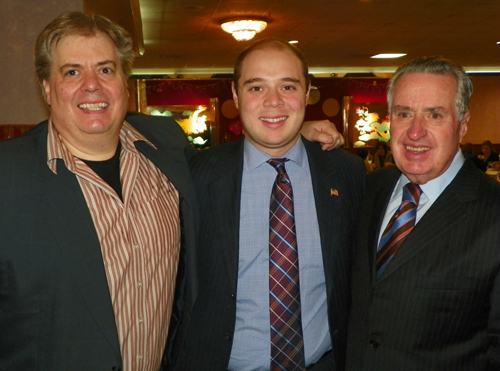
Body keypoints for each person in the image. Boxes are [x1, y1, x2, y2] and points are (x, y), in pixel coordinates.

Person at [0, 12, 343, 371]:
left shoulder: (167, 147)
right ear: (46, 87)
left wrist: (293, 136)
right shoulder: (9, 177)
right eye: (72, 72)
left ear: (124, 81)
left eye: (105, 69)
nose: (92, 85)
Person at [169, 38, 365, 371]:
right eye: (256, 87)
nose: (273, 102)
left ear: (307, 93)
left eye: (287, 86)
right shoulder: (195, 176)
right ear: (235, 95)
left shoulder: (346, 173)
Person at [346, 56, 500, 370]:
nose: (416, 132)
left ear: (463, 125)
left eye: (434, 114)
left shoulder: (493, 212)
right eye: (404, 113)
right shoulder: (364, 189)